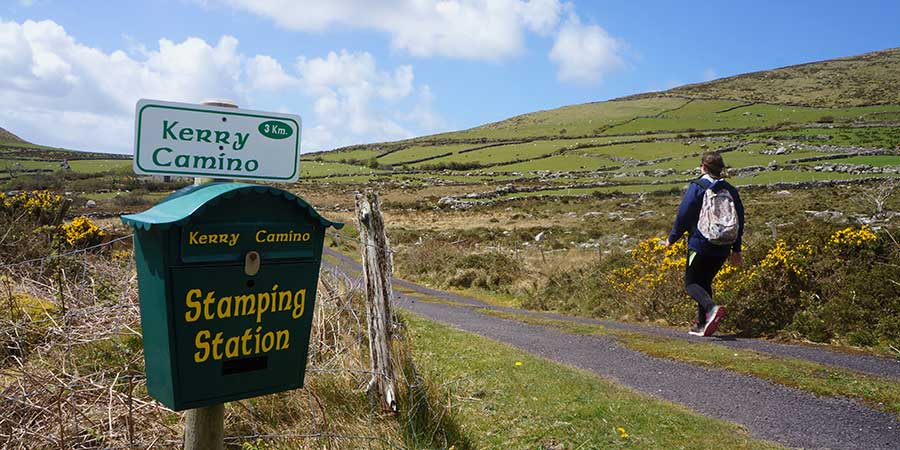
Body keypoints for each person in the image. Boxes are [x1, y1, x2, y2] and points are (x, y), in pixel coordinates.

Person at [667, 151, 744, 336]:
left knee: (691, 283)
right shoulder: (730, 189)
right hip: (723, 245)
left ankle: (711, 308)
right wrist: (736, 249)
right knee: (705, 282)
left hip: (700, 244)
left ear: (703, 167)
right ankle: (702, 325)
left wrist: (672, 237)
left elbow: (684, 214)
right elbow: (740, 218)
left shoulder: (698, 186)